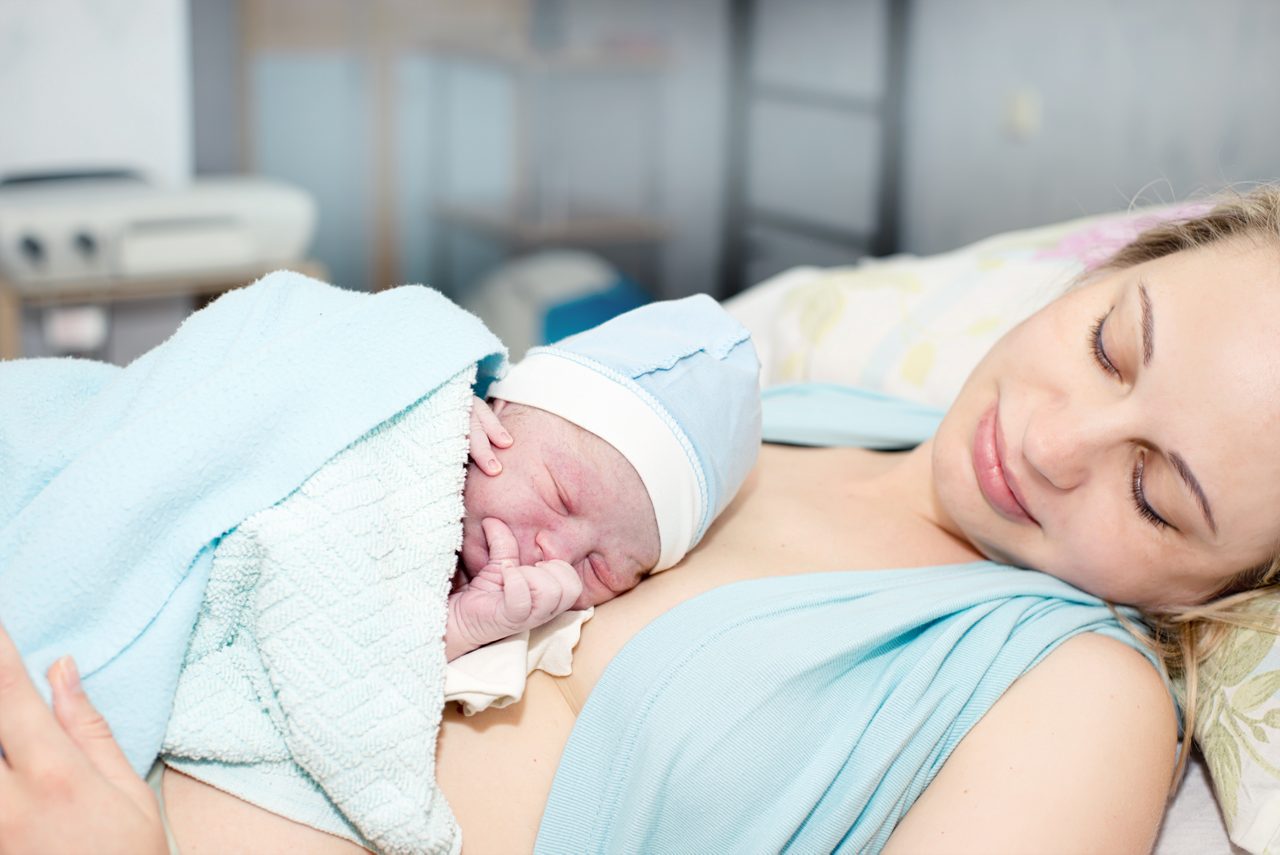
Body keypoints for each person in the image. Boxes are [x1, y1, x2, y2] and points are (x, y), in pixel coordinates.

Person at [7, 188, 1280, 853]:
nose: (1052, 444)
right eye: (1112, 345)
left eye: (1155, 494)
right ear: (1106, 271)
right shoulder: (801, 405)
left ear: (1227, 584)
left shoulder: (1075, 701)